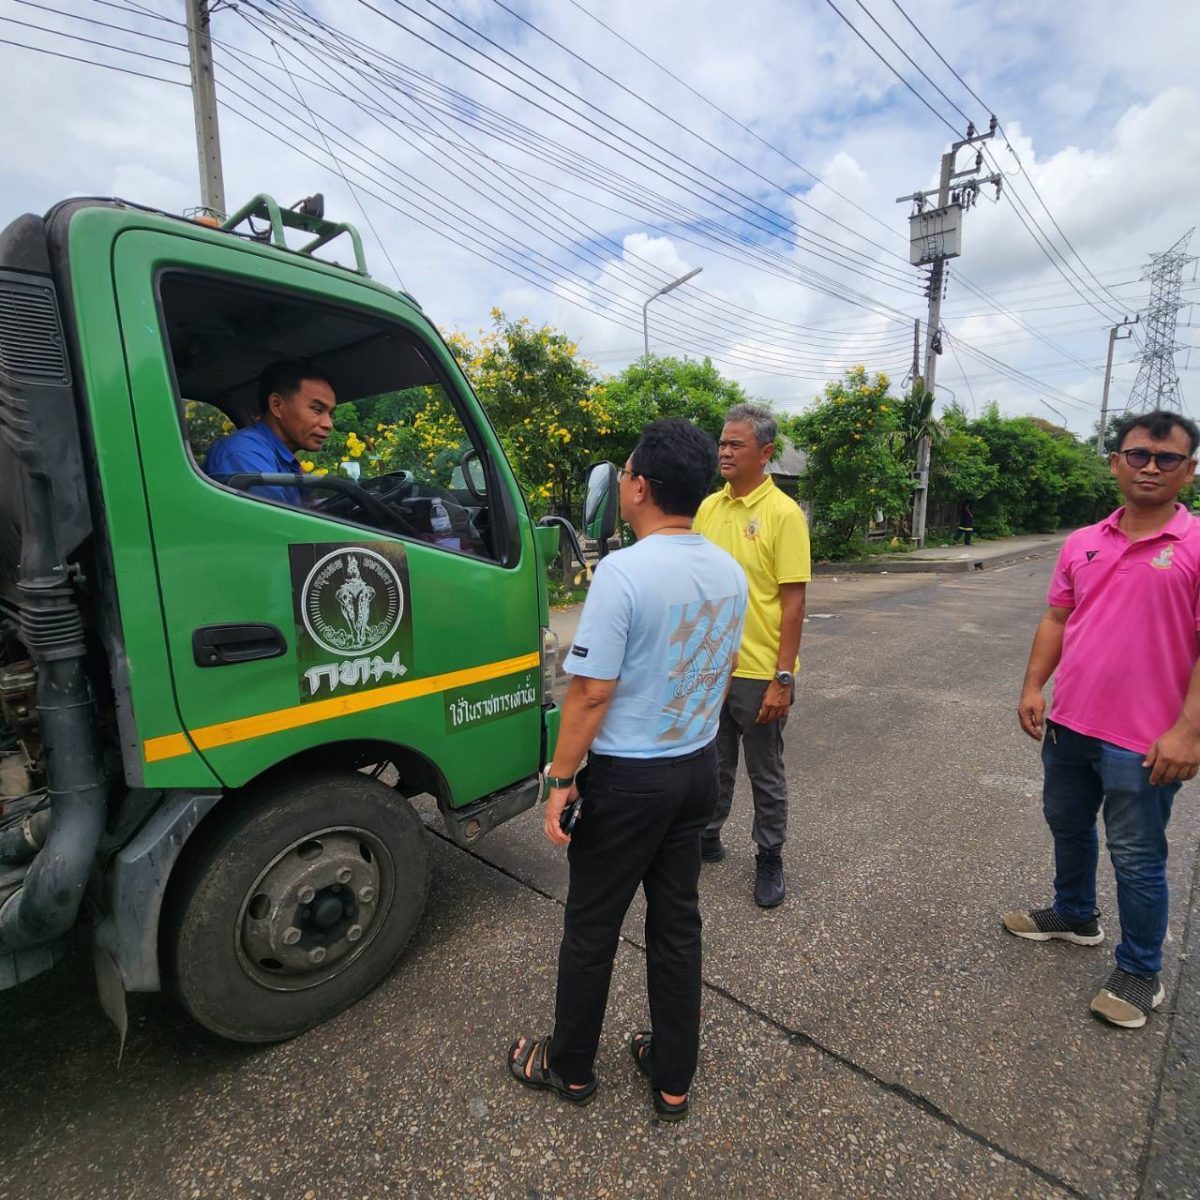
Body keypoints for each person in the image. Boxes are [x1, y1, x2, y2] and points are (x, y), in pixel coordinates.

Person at [507, 419, 747, 1120]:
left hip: (628, 781)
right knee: (677, 923)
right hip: (695, 768)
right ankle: (673, 1074)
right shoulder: (727, 570)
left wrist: (559, 780)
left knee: (592, 925)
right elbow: (726, 666)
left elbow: (590, 691)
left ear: (637, 487)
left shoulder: (623, 571)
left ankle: (571, 1066)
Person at [1007, 409, 1200, 1029]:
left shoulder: (1195, 546)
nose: (1150, 466)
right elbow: (1058, 618)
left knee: (1138, 855)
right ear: (1115, 461)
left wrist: (1189, 731)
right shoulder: (1083, 541)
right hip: (1071, 725)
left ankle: (1141, 971)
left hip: (1145, 742)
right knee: (1065, 822)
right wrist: (1035, 685)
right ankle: (1075, 914)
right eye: (1138, 454)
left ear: (1189, 472)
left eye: (1167, 458)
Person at [693, 403, 810, 907]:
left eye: (735, 444)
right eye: (722, 442)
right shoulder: (708, 509)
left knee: (765, 771)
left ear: (764, 453)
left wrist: (782, 677)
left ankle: (770, 858)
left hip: (760, 672)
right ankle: (707, 836)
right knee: (710, 763)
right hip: (710, 668)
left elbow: (794, 602)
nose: (724, 450)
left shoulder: (783, 515)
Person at [205, 359, 336, 506]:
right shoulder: (244, 453)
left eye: (330, 414)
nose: (328, 424)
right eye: (317, 410)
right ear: (277, 405)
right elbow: (279, 525)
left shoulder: (283, 459)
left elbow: (307, 510)